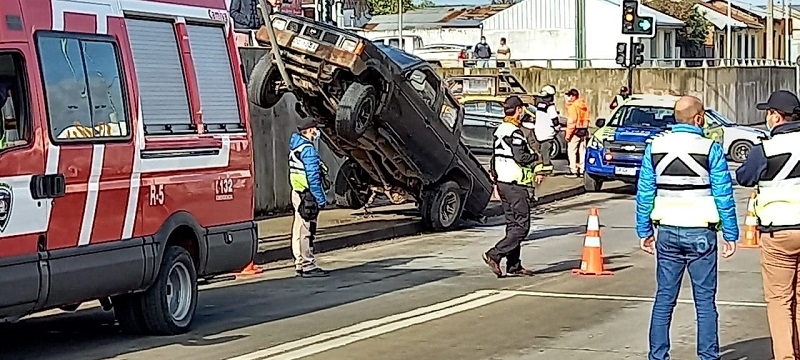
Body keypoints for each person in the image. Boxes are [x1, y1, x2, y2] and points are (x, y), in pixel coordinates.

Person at [636, 95, 737, 360]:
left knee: (664, 299)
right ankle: (708, 356)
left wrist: (644, 230)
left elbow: (645, 191)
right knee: (704, 301)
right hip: (701, 232)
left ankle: (657, 356)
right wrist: (730, 233)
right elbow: (723, 193)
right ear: (698, 119)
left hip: (667, 231)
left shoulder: (655, 147)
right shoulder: (710, 148)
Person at [735, 90, 800, 360]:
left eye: (768, 113)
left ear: (776, 116)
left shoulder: (765, 149)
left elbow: (745, 177)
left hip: (779, 232)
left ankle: (786, 356)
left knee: (779, 300)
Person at [483, 95, 540, 278]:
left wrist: (494, 179)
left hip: (503, 183)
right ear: (518, 110)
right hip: (516, 184)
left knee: (512, 225)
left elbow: (494, 156)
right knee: (522, 227)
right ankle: (495, 253)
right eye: (521, 109)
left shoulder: (499, 130)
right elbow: (520, 157)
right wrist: (535, 158)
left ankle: (514, 265)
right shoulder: (515, 133)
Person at [288, 114, 330, 278]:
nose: (317, 132)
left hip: (297, 192)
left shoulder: (296, 146)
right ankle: (308, 265)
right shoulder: (308, 150)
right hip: (308, 195)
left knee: (298, 227)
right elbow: (313, 177)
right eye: (316, 129)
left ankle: (299, 261)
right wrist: (320, 199)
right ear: (310, 130)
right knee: (307, 229)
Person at [532, 85, 559, 176]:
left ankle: (545, 169)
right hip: (547, 134)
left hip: (539, 133)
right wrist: (557, 127)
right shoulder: (550, 107)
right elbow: (554, 118)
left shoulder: (539, 105)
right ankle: (547, 169)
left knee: (543, 152)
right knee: (545, 152)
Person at [564, 88, 589, 177]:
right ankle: (582, 170)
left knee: (572, 151)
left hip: (575, 131)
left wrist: (568, 135)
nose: (568, 97)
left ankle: (573, 170)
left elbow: (572, 122)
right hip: (583, 130)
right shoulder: (583, 105)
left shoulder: (573, 107)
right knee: (582, 151)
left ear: (573, 96)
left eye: (570, 96)